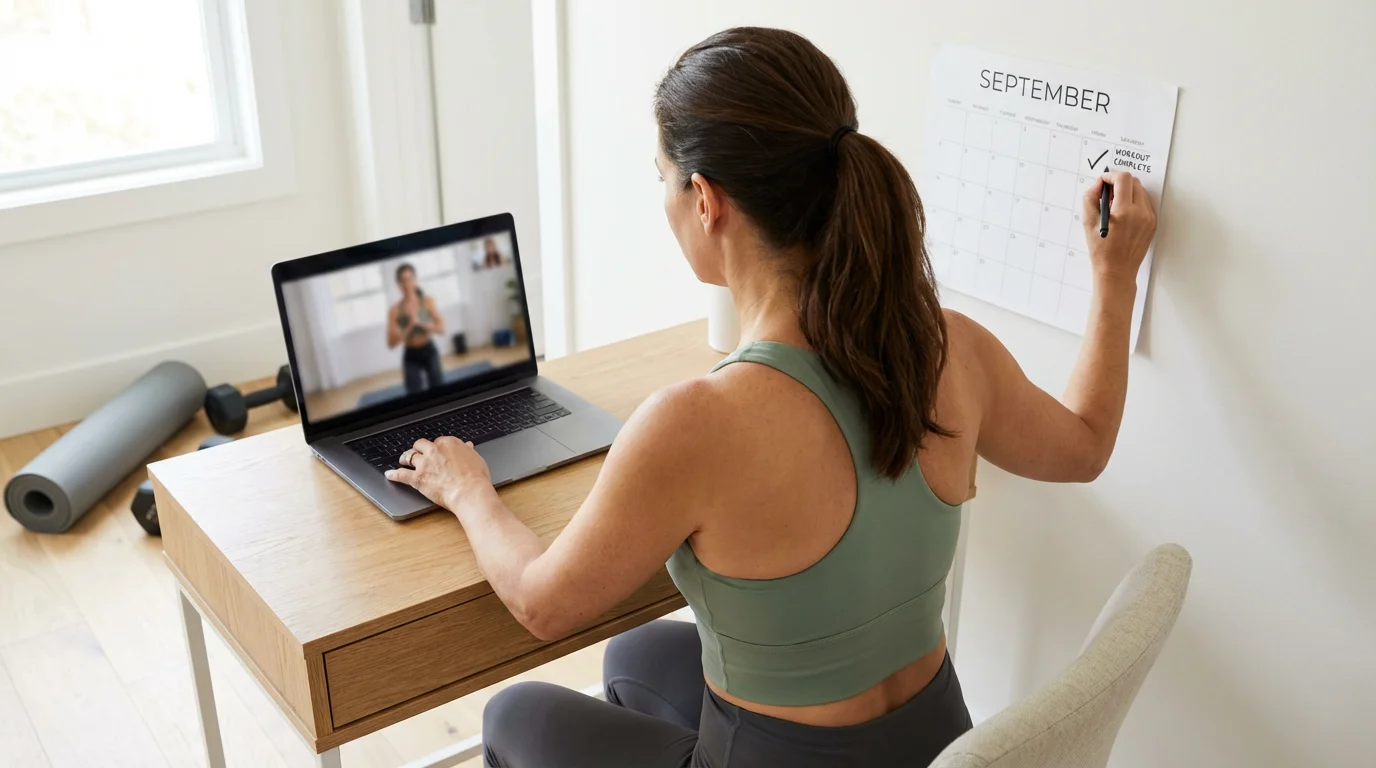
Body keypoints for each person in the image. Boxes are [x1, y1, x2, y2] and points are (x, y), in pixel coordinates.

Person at [385, 26, 1157, 768]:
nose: (662, 200)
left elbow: (542, 604)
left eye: (661, 177)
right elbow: (1086, 444)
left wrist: (468, 488)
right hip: (939, 746)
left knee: (513, 713)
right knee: (636, 653)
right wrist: (1114, 276)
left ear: (705, 199)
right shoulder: (949, 345)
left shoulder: (697, 421)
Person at [386, 263, 446, 395]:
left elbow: (441, 329)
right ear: (398, 284)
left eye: (410, 279)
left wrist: (422, 324)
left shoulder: (427, 302)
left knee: (438, 389)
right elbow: (391, 343)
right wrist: (409, 327)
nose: (407, 284)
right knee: (414, 394)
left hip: (429, 350)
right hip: (411, 354)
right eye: (403, 280)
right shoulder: (394, 310)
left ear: (415, 280)